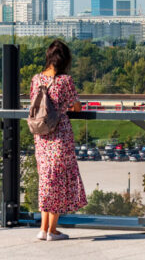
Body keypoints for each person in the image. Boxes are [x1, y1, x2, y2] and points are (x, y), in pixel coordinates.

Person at [30, 40, 87, 241]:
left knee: (46, 179)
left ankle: (43, 228)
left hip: (42, 136)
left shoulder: (36, 79)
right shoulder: (65, 81)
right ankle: (52, 231)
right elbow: (77, 106)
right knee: (59, 181)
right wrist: (65, 108)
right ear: (64, 60)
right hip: (60, 135)